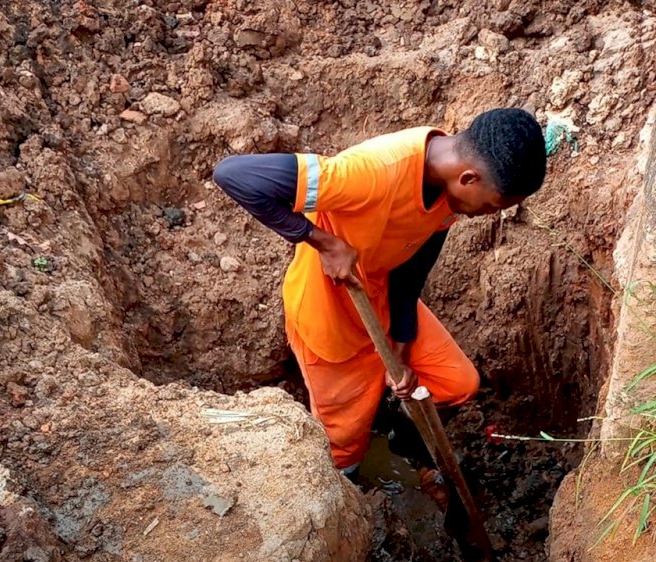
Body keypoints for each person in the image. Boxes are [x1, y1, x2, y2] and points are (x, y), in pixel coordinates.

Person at [213, 108, 546, 482]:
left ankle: (402, 441)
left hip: (381, 297)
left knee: (457, 383)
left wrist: (402, 346)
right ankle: (350, 494)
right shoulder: (371, 174)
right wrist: (323, 243)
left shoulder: (448, 191)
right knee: (344, 447)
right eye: (490, 206)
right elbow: (235, 175)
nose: (484, 215)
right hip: (329, 318)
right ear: (469, 178)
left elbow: (413, 269)